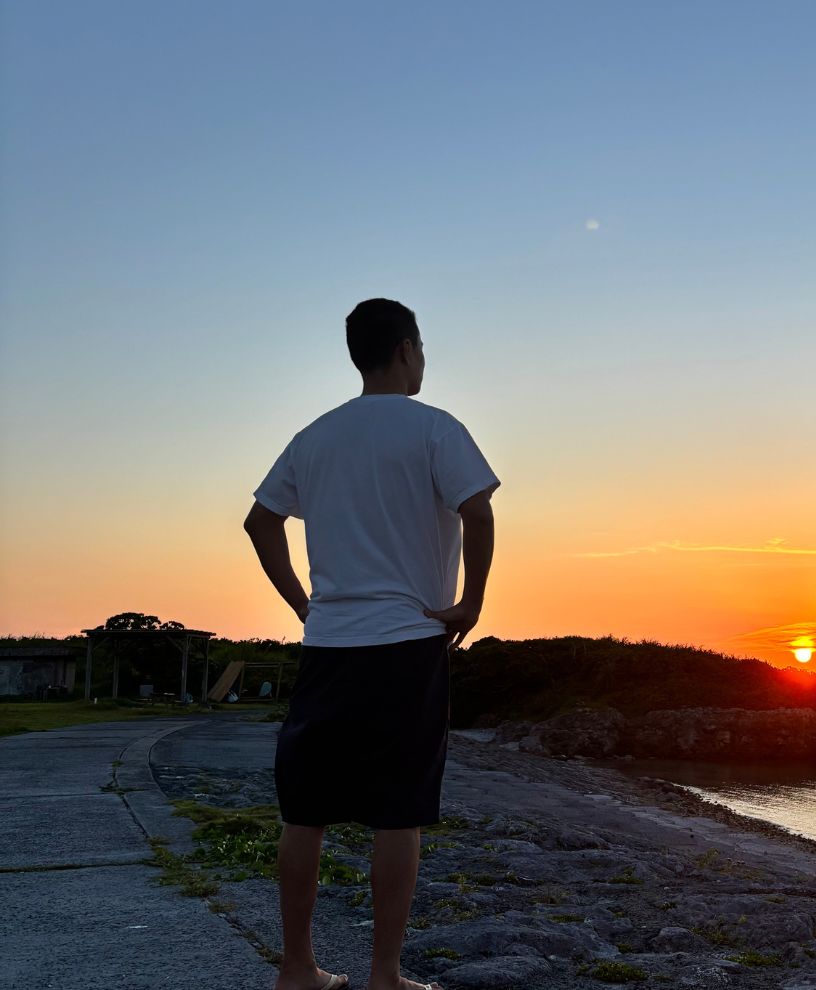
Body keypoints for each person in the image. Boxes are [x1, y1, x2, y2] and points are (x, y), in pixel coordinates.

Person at [243, 298, 499, 990]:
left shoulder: (315, 436)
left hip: (329, 646)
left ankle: (297, 969)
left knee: (305, 811)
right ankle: (385, 973)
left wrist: (304, 603)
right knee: (399, 812)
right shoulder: (436, 430)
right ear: (407, 350)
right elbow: (478, 511)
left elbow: (260, 523)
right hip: (408, 642)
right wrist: (470, 604)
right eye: (421, 349)